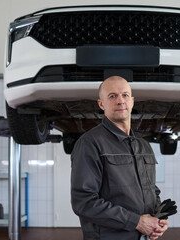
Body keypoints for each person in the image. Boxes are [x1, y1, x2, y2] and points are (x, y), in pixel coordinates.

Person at [71, 76, 169, 240]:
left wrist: (158, 216)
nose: (120, 101)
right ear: (101, 104)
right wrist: (136, 222)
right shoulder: (90, 143)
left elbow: (151, 189)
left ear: (132, 101)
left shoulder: (143, 145)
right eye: (112, 96)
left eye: (125, 95)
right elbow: (84, 201)